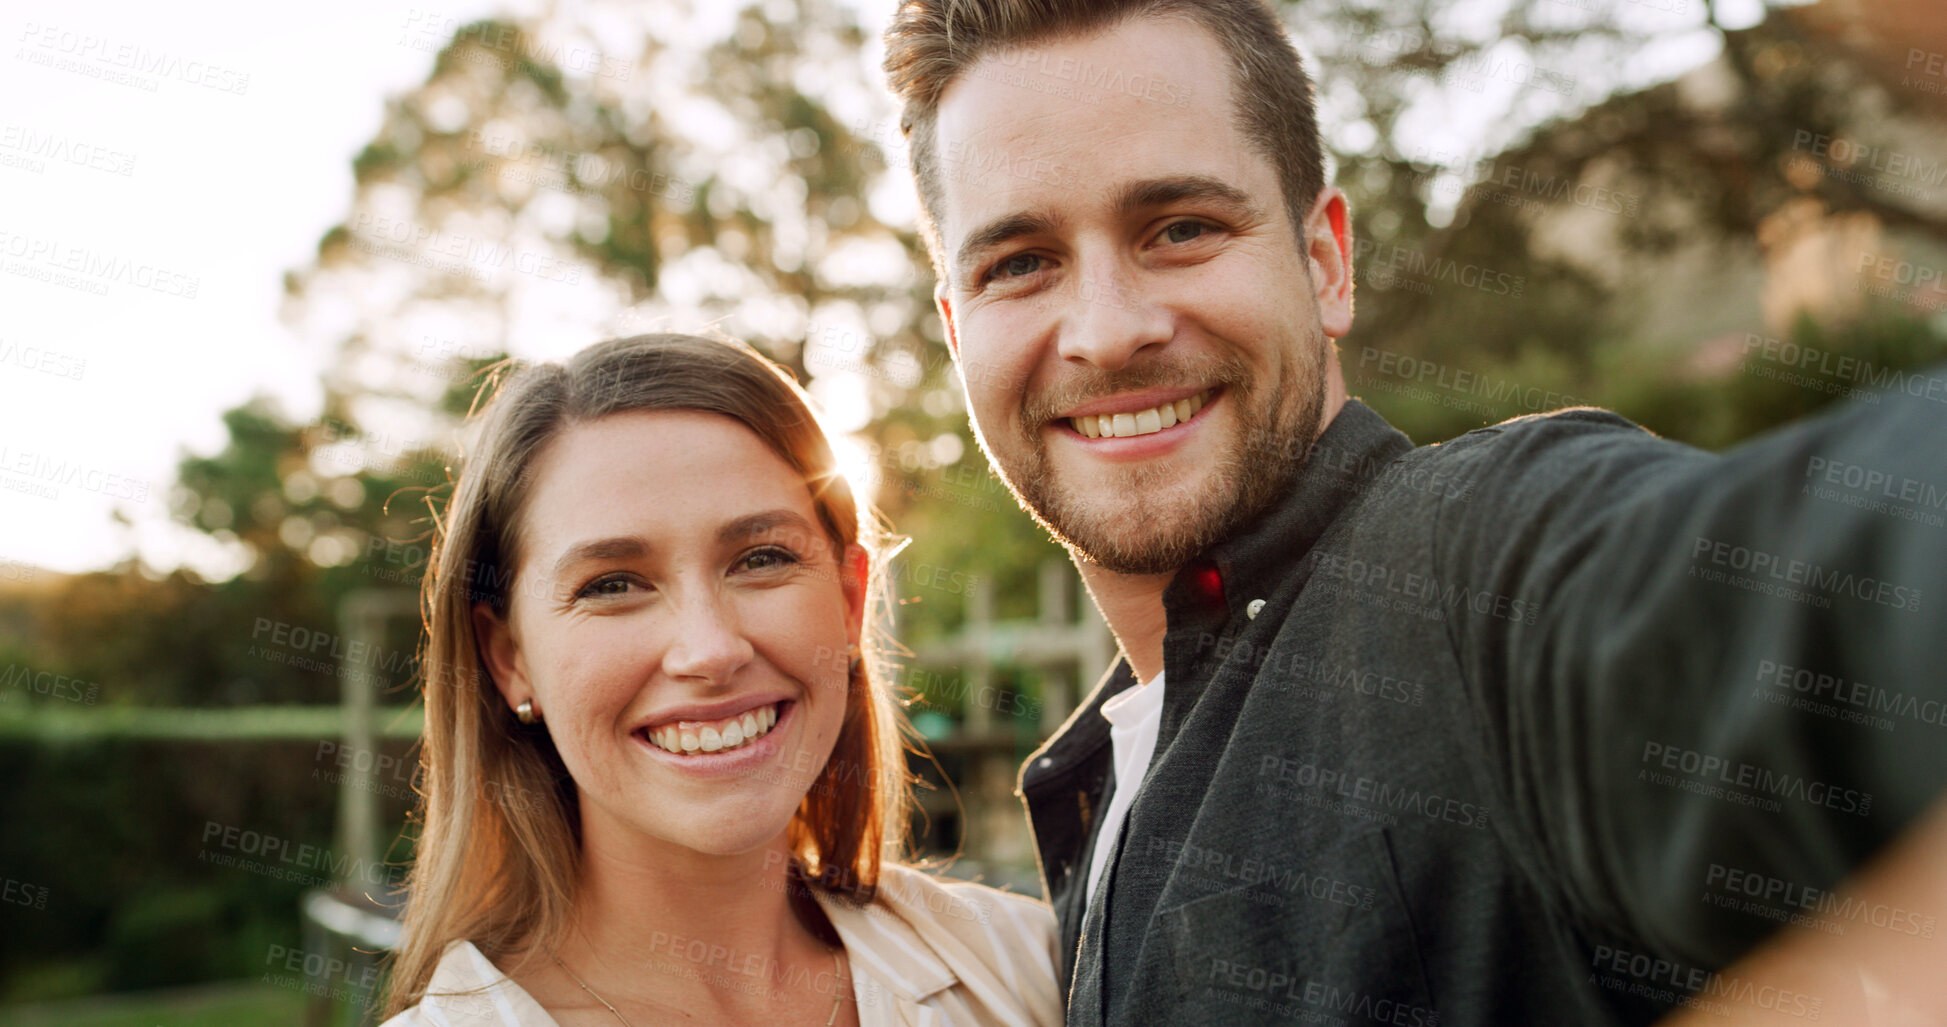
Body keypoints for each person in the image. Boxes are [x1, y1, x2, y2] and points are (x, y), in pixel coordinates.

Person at [878, 1, 1947, 1024]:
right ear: (958, 329)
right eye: (1021, 263)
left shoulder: (1479, 576)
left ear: (1325, 263)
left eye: (1182, 228)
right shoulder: (1092, 787)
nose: (1107, 331)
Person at [379, 333, 1062, 1026]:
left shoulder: (1029, 966)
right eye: (612, 584)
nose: (710, 651)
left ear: (850, 602)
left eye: (761, 558)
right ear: (509, 658)